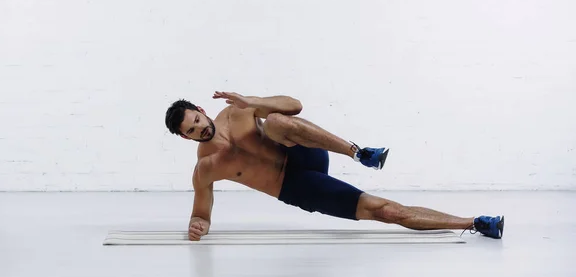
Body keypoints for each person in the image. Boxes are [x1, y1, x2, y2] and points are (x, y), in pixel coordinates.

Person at [165, 91, 504, 241]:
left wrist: (254, 102)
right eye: (191, 131)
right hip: (295, 187)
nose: (200, 129)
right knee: (385, 211)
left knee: (278, 122)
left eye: (197, 119)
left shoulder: (237, 110)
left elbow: (295, 105)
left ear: (200, 108)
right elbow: (202, 213)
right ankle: (476, 222)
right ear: (185, 137)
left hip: (303, 153)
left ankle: (358, 153)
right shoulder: (206, 167)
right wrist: (198, 226)